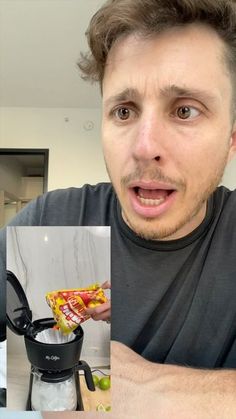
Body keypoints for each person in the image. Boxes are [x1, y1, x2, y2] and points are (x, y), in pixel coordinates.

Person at [0, 0, 236, 416]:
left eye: (185, 110)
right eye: (124, 111)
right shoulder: (48, 219)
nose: (145, 148)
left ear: (231, 139)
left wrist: (157, 388)